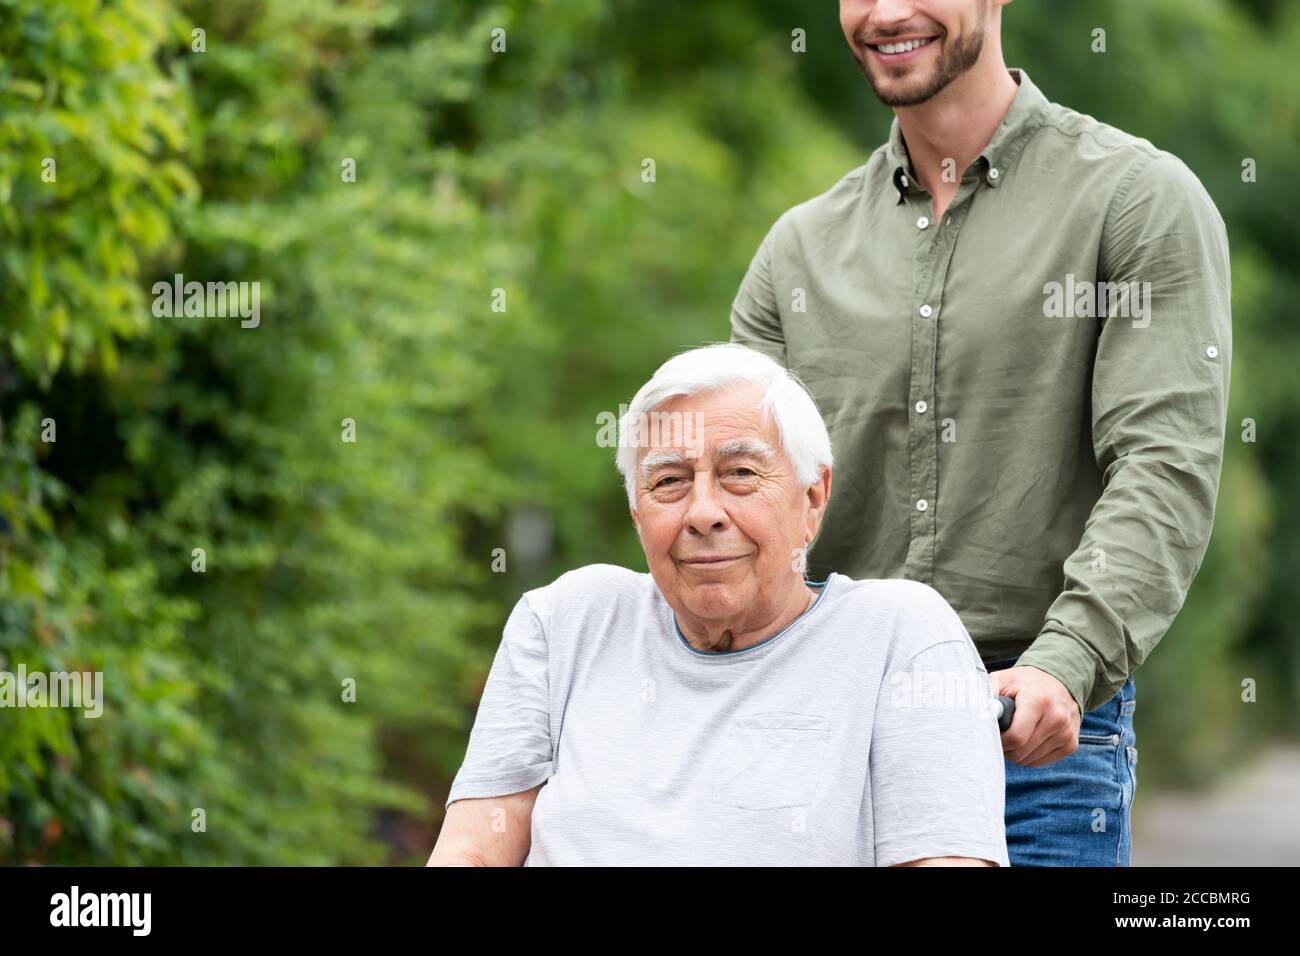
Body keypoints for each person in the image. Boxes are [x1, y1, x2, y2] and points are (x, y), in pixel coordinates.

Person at [729, 0, 1231, 866]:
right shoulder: (795, 254)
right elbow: (740, 496)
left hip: (1031, 744)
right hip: (824, 733)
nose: (887, 13)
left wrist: (1066, 661)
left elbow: (1161, 464)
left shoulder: (1135, 201)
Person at [430, 343, 1009, 866]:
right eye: (670, 482)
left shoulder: (899, 635)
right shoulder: (565, 621)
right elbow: (472, 853)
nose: (702, 511)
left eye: (739, 473)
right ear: (637, 513)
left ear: (813, 499)